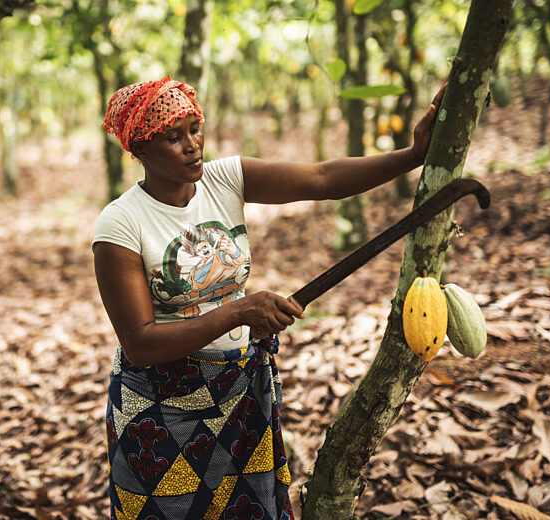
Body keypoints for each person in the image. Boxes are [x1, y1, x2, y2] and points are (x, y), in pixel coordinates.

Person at [93, 75, 444, 520]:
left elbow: (322, 178)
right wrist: (238, 311)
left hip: (239, 395)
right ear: (140, 150)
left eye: (194, 129)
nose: (192, 145)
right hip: (161, 414)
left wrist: (413, 156)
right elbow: (140, 344)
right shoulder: (121, 224)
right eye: (172, 137)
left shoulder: (224, 179)